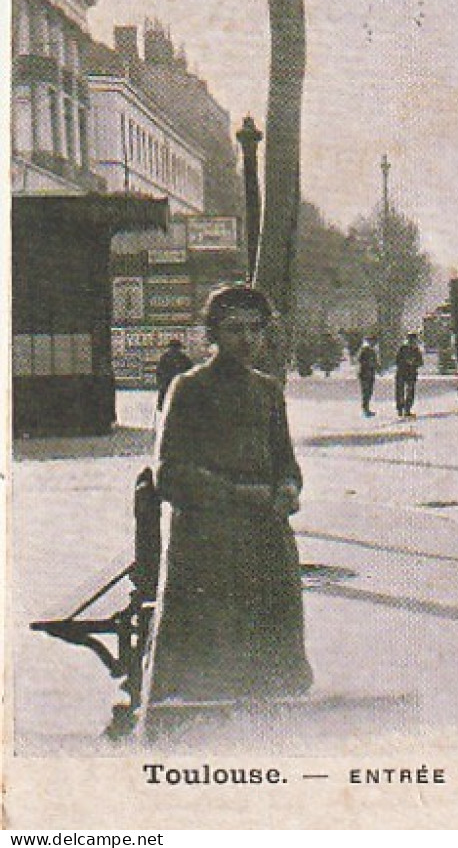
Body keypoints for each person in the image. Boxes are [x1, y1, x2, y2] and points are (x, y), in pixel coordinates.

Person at [143, 284, 312, 708]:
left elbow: (286, 463)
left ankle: (270, 703)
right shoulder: (189, 388)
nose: (247, 339)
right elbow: (169, 474)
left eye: (255, 329)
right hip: (207, 534)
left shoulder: (268, 391)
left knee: (275, 623)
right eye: (234, 329)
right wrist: (237, 494)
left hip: (263, 533)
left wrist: (289, 488)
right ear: (213, 334)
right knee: (212, 660)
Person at [155, 339, 193, 411]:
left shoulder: (184, 358)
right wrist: (160, 382)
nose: (174, 350)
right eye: (173, 348)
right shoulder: (165, 358)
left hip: (179, 384)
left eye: (176, 348)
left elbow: (190, 371)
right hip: (168, 383)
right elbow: (159, 371)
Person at [394, 333, 424, 417]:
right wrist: (406, 362)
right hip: (402, 372)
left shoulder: (416, 350)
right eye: (411, 340)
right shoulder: (402, 349)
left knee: (410, 392)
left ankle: (407, 409)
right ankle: (400, 409)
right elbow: (397, 360)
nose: (412, 342)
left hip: (411, 373)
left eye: (414, 340)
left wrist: (414, 363)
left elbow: (421, 362)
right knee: (400, 391)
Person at [357, 337, 380, 416]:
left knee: (369, 392)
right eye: (372, 342)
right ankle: (365, 409)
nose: (373, 344)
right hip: (364, 374)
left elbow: (375, 362)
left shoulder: (372, 351)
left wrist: (376, 366)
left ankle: (366, 409)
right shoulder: (364, 350)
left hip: (370, 374)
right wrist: (368, 364)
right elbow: (360, 360)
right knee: (365, 392)